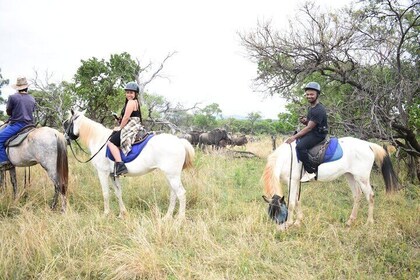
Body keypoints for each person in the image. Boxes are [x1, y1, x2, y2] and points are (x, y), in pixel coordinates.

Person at [285, 82, 328, 182]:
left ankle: (310, 172)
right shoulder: (311, 108)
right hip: (314, 130)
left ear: (317, 94)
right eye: (307, 94)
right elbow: (311, 124)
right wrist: (306, 121)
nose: (309, 96)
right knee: (298, 138)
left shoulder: (319, 109)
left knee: (300, 147)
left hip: (318, 134)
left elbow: (309, 128)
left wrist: (293, 137)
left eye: (312, 94)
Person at [108, 81, 142, 176]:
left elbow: (126, 118)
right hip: (134, 123)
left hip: (131, 125)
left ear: (135, 94)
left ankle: (120, 165)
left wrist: (120, 127)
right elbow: (128, 117)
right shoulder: (135, 102)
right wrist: (119, 119)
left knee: (111, 142)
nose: (129, 94)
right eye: (127, 92)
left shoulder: (131, 102)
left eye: (131, 92)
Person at [0, 76, 36, 167]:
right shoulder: (32, 98)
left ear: (17, 88)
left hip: (17, 125)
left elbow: (8, 112)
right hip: (30, 125)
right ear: (26, 87)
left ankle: (5, 161)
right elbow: (31, 111)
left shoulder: (12, 97)